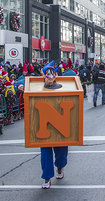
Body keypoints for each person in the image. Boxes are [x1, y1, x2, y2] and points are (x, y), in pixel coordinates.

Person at [40, 61, 68, 189]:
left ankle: (60, 168)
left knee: (61, 151)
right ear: (43, 76)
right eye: (47, 75)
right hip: (44, 125)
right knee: (45, 153)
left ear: (55, 75)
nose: (49, 77)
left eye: (52, 75)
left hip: (59, 124)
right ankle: (47, 177)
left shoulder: (61, 87)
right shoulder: (38, 89)